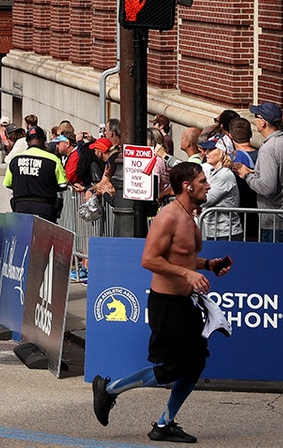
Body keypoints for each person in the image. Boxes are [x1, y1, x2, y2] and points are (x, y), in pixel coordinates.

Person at [91, 162, 232, 443]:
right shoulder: (168, 216)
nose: (208, 186)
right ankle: (109, 389)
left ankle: (165, 424)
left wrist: (208, 265)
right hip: (166, 304)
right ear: (187, 186)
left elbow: (183, 257)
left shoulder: (190, 215)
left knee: (194, 366)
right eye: (203, 181)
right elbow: (149, 260)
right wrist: (188, 273)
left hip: (185, 303)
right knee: (171, 368)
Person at [231, 102, 283, 243]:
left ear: (263, 122)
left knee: (275, 264)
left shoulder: (268, 149)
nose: (254, 120)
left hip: (277, 224)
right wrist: (254, 173)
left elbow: (267, 188)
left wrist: (247, 175)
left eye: (256, 116)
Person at [4, 126, 67, 222]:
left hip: (21, 207)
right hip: (45, 208)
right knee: (44, 237)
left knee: (22, 236)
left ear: (27, 141)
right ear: (43, 141)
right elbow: (63, 184)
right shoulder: (53, 160)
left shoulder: (15, 159)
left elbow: (7, 184)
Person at [200, 136, 242, 241]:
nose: (206, 153)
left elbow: (206, 200)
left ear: (222, 152)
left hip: (226, 233)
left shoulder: (225, 174)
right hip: (214, 231)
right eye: (206, 150)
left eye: (211, 150)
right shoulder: (213, 172)